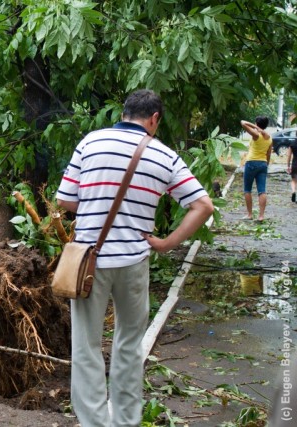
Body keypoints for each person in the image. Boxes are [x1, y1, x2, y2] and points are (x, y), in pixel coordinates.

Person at [56, 89, 214, 426]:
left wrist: (98, 202)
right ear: (154, 118)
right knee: (129, 344)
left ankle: (94, 423)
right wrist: (167, 243)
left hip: (89, 261)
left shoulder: (91, 142)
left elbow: (65, 201)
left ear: (124, 112)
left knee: (86, 347)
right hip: (133, 261)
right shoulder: (164, 155)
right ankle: (126, 420)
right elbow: (202, 206)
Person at [241, 116, 272, 220]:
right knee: (262, 191)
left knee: (247, 190)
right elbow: (268, 154)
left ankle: (249, 215)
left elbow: (243, 122)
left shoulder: (256, 135)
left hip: (251, 163)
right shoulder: (269, 138)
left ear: (257, 124)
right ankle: (261, 216)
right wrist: (266, 165)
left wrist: (256, 128)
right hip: (263, 164)